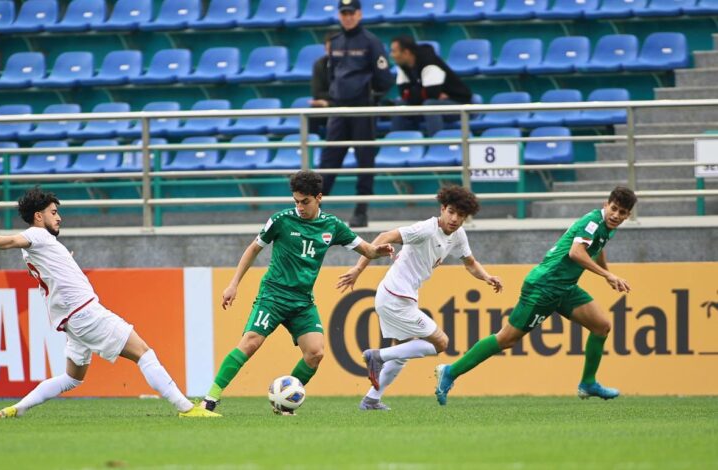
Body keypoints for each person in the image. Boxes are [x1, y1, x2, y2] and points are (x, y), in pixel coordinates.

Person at [0, 187, 211, 418]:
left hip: (72, 322)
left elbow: (47, 269)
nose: (59, 217)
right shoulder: (36, 235)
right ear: (38, 216)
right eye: (53, 212)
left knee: (71, 379)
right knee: (144, 353)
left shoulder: (39, 249)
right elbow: (10, 240)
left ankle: (18, 408)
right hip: (85, 314)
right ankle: (187, 408)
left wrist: (66, 261)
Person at [197, 170, 394, 416]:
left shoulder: (332, 226)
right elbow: (253, 249)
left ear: (319, 198)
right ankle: (209, 400)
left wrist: (379, 251)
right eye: (296, 201)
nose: (299, 207)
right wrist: (233, 284)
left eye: (305, 202)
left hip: (302, 302)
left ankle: (284, 400)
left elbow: (367, 250)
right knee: (251, 342)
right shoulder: (281, 220)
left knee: (315, 353)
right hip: (273, 296)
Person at [435, 187, 638, 405]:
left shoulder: (607, 227)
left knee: (601, 326)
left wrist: (606, 273)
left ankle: (588, 383)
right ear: (606, 205)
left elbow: (596, 247)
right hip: (544, 286)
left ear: (628, 215)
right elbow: (576, 252)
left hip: (565, 287)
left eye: (622, 212)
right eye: (614, 209)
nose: (616, 215)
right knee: (506, 339)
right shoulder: (593, 222)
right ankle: (450, 371)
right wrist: (607, 275)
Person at [337, 185, 503, 410]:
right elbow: (385, 236)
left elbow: (470, 263)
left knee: (402, 353)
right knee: (441, 343)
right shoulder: (426, 229)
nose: (455, 219)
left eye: (461, 215)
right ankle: (378, 356)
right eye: (451, 212)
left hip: (400, 296)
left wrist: (487, 277)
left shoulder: (458, 235)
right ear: (442, 208)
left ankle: (371, 400)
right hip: (395, 296)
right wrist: (358, 269)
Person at [320, 0, 395, 228]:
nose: (347, 17)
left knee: (364, 160)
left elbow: (384, 77)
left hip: (362, 108)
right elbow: (332, 74)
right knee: (329, 160)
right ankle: (314, 210)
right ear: (339, 15)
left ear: (359, 14)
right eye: (344, 13)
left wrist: (371, 96)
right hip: (339, 108)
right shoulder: (335, 41)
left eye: (351, 13)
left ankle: (361, 211)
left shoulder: (371, 42)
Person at [389, 35, 473, 137]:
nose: (391, 55)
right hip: (430, 103)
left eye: (394, 51)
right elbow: (404, 94)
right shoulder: (403, 65)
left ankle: (436, 143)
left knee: (430, 105)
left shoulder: (429, 63)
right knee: (400, 104)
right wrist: (422, 93)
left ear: (406, 52)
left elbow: (431, 94)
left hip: (458, 103)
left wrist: (415, 93)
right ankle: (396, 141)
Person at [309, 32, 335, 137]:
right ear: (325, 49)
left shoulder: (351, 64)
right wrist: (328, 103)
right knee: (313, 113)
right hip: (328, 104)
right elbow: (317, 93)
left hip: (347, 105)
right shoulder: (320, 64)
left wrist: (329, 103)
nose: (332, 52)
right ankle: (310, 144)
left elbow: (350, 93)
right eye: (329, 49)